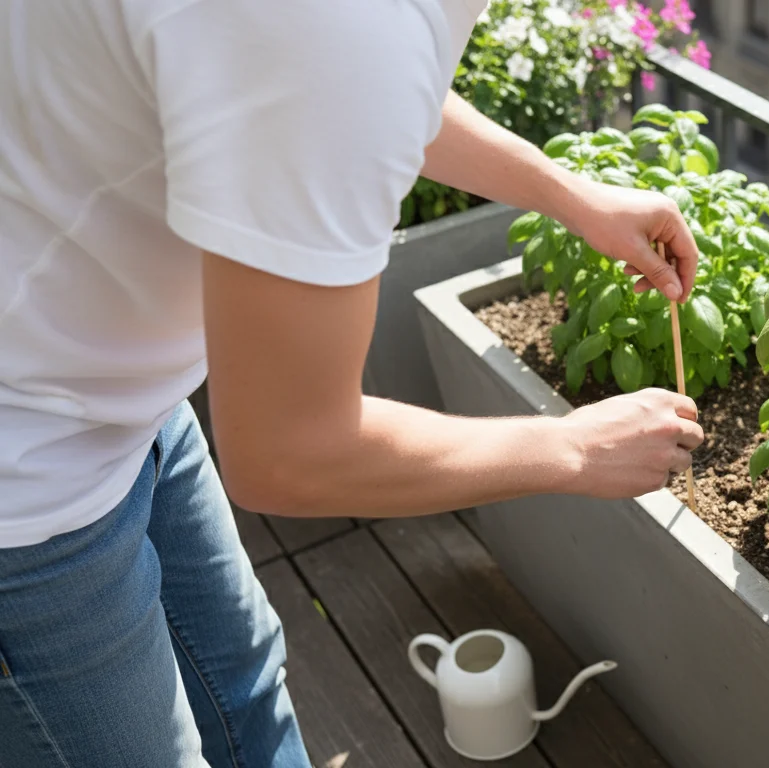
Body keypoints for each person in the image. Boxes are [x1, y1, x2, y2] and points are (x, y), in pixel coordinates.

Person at [0, 0, 704, 765]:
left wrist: (569, 193)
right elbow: (289, 456)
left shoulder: (349, 38)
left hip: (116, 392)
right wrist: (573, 449)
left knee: (242, 689)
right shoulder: (336, 27)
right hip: (29, 475)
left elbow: (356, 88)